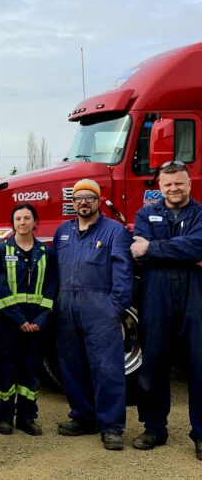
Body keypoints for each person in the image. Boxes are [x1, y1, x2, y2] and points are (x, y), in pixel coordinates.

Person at [53, 178, 132, 451]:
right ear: (72, 203)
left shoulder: (114, 231)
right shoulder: (63, 231)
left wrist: (115, 307)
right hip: (66, 309)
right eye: (78, 198)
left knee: (107, 368)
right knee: (72, 367)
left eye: (90, 197)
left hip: (100, 310)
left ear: (99, 201)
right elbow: (54, 270)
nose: (83, 202)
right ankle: (83, 417)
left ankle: (111, 426)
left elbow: (123, 271)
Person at [130, 161, 202, 460]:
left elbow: (198, 245)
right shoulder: (145, 214)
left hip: (195, 295)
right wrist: (183, 252)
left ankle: (201, 434)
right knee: (154, 363)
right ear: (159, 187)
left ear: (189, 184)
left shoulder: (200, 213)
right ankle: (154, 428)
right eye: (168, 184)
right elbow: (138, 252)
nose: (174, 188)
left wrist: (154, 248)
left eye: (179, 183)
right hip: (156, 296)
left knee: (199, 365)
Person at [0, 203, 56, 437]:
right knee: (6, 371)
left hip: (36, 326)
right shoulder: (0, 250)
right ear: (13, 223)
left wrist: (40, 320)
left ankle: (27, 418)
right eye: (18, 219)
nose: (22, 223)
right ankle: (5, 417)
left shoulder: (46, 253)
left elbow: (51, 288)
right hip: (8, 325)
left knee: (32, 371)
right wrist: (19, 319)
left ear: (35, 222)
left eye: (27, 218)